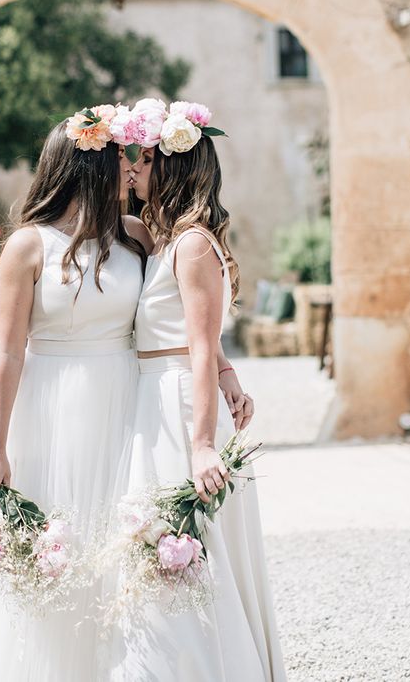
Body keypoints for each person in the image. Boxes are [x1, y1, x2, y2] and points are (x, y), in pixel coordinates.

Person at [0, 105, 250, 681]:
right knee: (53, 550)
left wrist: (224, 371)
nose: (131, 167)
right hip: (49, 407)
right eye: (119, 157)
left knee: (114, 547)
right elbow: (7, 355)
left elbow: (180, 316)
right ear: (86, 166)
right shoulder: (26, 248)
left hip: (127, 406)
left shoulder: (137, 236)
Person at [110, 101, 286, 681]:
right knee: (159, 540)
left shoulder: (190, 246)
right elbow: (201, 335)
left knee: (183, 542)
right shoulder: (160, 240)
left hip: (179, 400)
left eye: (147, 159)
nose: (136, 168)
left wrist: (204, 443)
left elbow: (201, 344)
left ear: (175, 169)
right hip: (155, 391)